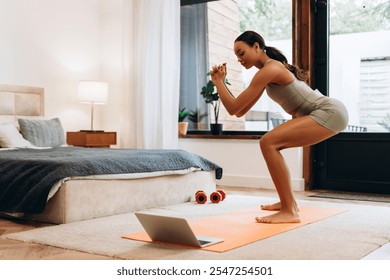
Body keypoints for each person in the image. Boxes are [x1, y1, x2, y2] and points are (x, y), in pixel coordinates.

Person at [210, 30, 348, 224]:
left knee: (268, 142)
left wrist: (218, 82)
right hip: (328, 112)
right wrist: (220, 83)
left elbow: (233, 108)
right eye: (236, 56)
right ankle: (288, 203)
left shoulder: (271, 68)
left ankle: (289, 209)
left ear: (256, 47)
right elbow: (239, 111)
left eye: (241, 53)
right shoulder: (266, 73)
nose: (239, 59)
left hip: (328, 111)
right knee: (270, 143)